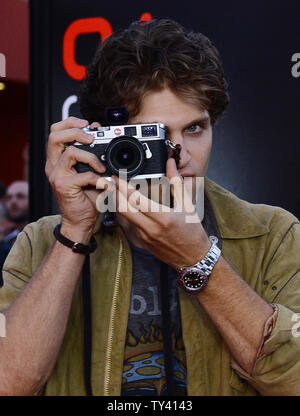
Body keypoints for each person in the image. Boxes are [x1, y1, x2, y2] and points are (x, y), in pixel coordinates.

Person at [0, 18, 299, 396]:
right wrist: (75, 233)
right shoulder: (42, 241)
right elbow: (8, 384)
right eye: (156, 137)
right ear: (109, 140)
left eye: (195, 129)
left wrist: (198, 258)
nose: (182, 156)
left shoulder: (272, 235)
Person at [0, 181, 29, 284]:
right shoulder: (6, 237)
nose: (13, 202)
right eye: (9, 198)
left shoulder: (43, 235)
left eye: (20, 197)